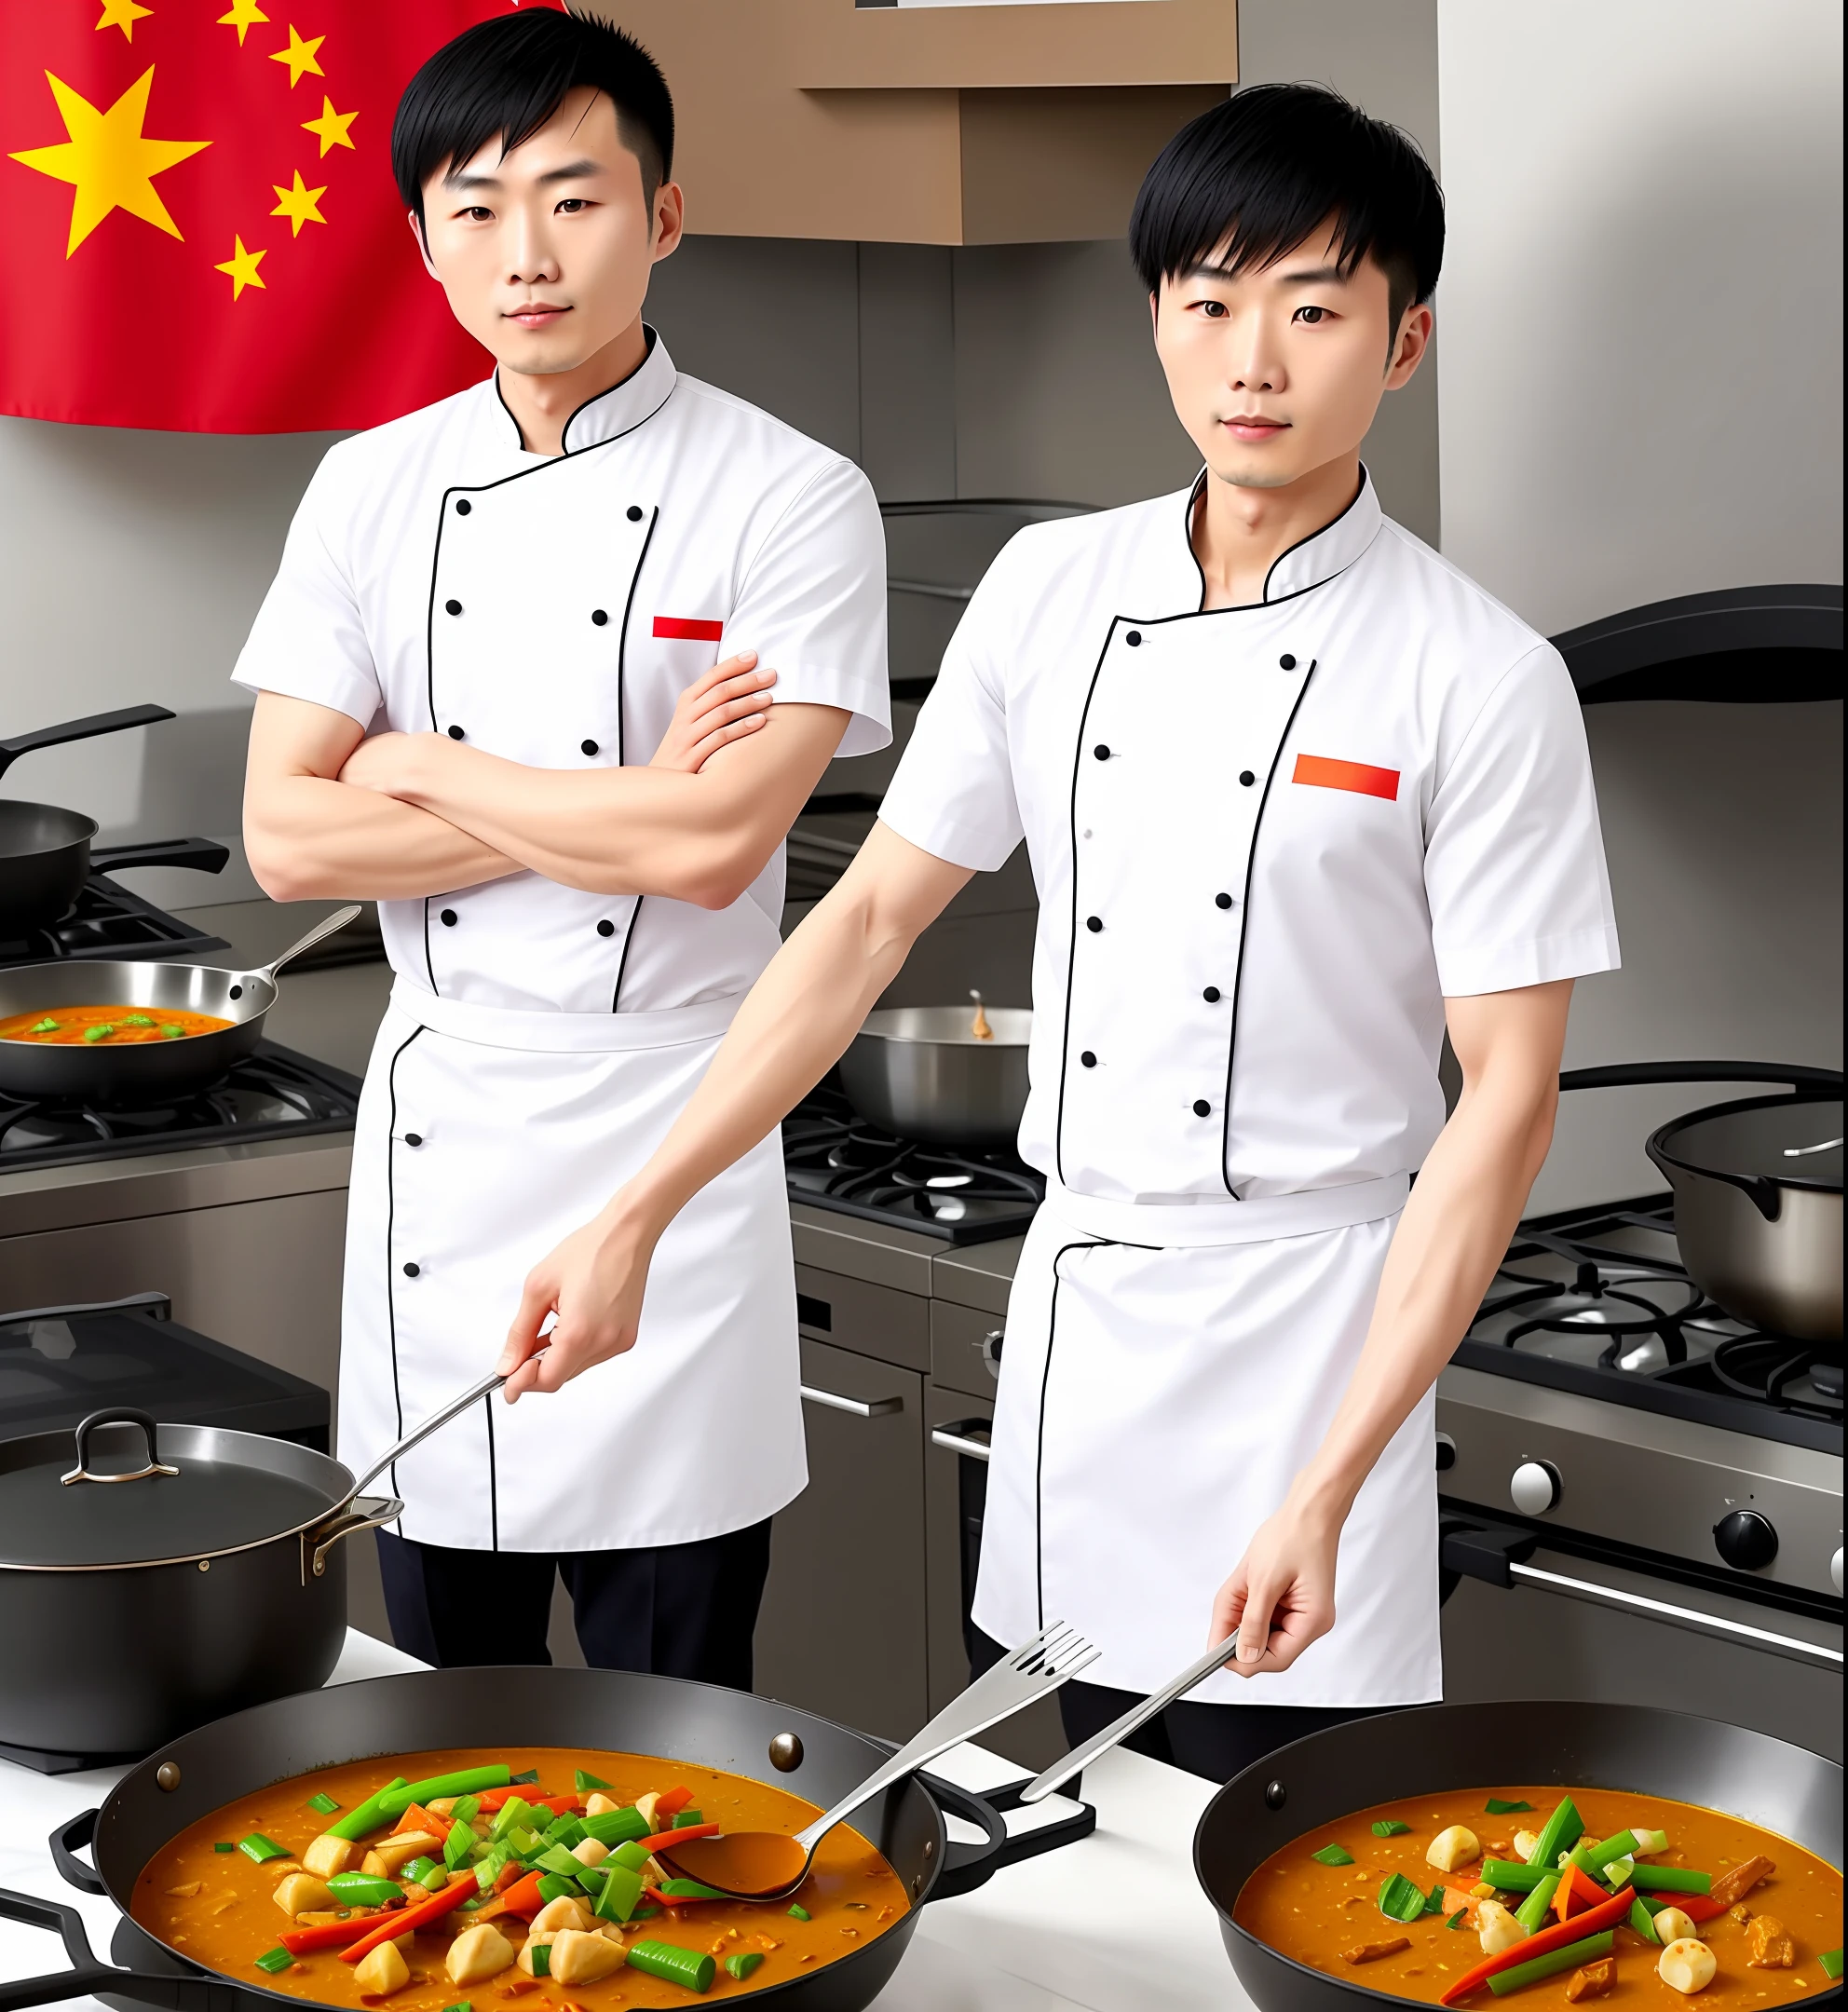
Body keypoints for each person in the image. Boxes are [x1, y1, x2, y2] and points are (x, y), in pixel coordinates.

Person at [487, 84, 1619, 1779]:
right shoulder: (1049, 591)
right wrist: (638, 1210)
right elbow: (865, 918)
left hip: (1316, 1340)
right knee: (1058, 1847)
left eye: (1314, 311)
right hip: (1082, 1328)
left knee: (1283, 1869)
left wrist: (1330, 1481)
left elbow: (1507, 1101)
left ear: (1404, 344)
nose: (1254, 361)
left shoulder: (1481, 676)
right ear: (1158, 319)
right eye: (1212, 303)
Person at [235, 11, 889, 1683]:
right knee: (441, 1705)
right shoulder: (369, 488)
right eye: (477, 205)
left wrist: (413, 758)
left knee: (676, 1716)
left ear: (662, 218)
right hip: (443, 1146)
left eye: (575, 200)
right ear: (423, 240)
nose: (526, 252)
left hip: (673, 1132)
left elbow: (716, 844)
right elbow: (289, 840)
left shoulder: (792, 495)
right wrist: (606, 821)